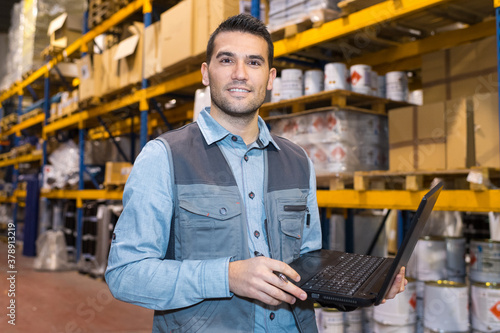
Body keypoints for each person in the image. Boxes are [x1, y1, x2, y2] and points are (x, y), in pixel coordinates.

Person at [105, 13, 406, 333]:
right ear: (206, 73)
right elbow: (126, 275)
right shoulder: (164, 157)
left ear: (271, 77)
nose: (239, 74)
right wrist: (227, 277)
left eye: (253, 62)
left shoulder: (298, 161)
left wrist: (362, 290)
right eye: (226, 60)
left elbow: (308, 265)